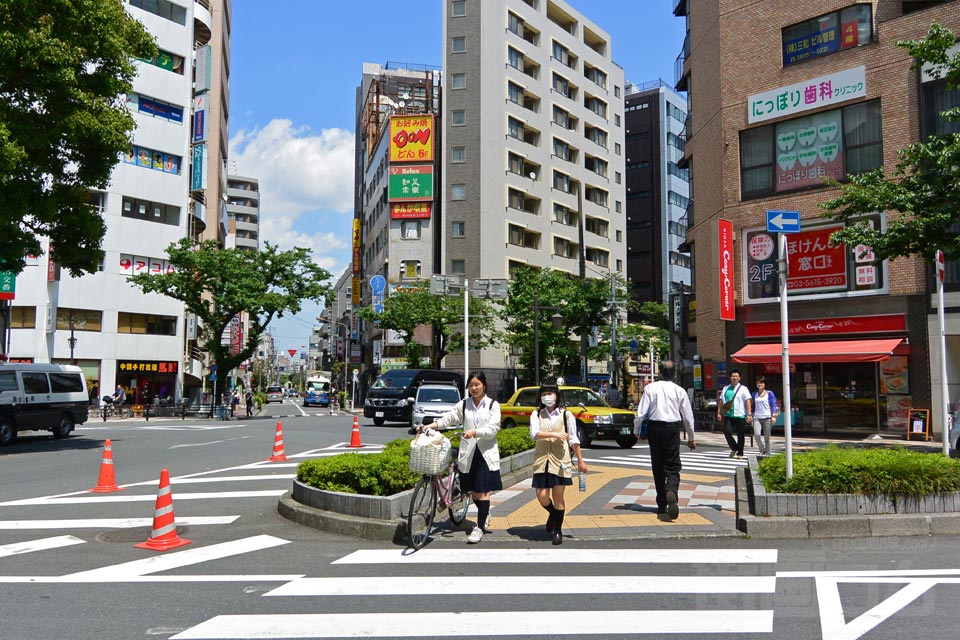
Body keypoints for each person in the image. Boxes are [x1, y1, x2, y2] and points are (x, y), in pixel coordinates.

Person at [427, 371, 502, 544]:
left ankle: (479, 528)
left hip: (485, 453)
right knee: (473, 492)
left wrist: (475, 432)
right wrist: (434, 425)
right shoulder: (464, 404)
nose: (474, 388)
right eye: (471, 385)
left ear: (484, 386)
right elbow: (450, 418)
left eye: (477, 385)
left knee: (482, 492)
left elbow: (493, 429)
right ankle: (485, 513)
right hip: (468, 453)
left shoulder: (492, 405)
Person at [634, 361, 696, 521]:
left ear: (660, 372)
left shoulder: (650, 388)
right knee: (673, 465)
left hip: (655, 428)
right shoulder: (679, 390)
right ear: (674, 373)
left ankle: (662, 504)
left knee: (658, 465)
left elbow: (641, 413)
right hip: (672, 429)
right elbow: (688, 417)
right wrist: (691, 438)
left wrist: (636, 430)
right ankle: (672, 490)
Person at [529, 381, 587, 545]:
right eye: (544, 394)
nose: (547, 397)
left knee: (558, 496)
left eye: (550, 393)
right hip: (542, 459)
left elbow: (574, 439)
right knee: (541, 496)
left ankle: (558, 530)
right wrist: (555, 434)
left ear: (557, 395)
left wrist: (581, 461)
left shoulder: (566, 415)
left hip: (561, 459)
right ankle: (554, 515)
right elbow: (534, 434)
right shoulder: (536, 414)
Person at [718, 369, 752, 459]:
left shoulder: (743, 389)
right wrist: (719, 412)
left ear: (739, 378)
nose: (734, 378)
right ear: (730, 377)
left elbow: (747, 401)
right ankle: (734, 447)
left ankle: (740, 452)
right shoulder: (725, 388)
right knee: (727, 432)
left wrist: (749, 414)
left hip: (740, 414)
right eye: (733, 376)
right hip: (728, 414)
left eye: (736, 376)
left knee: (740, 434)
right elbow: (721, 401)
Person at [751, 376, 779, 456]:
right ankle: (761, 449)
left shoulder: (769, 393)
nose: (759, 384)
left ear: (765, 384)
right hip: (756, 417)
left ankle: (768, 453)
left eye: (761, 383)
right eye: (758, 383)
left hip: (767, 417)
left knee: (767, 437)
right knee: (757, 435)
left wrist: (773, 416)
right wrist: (750, 415)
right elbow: (752, 406)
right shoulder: (754, 394)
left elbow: (773, 404)